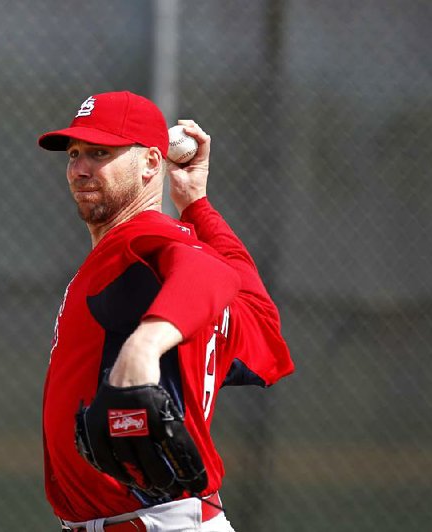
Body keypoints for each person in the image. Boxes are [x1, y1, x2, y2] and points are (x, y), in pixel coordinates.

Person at [38, 91, 295, 532]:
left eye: (101, 152)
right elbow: (261, 322)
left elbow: (207, 270)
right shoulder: (164, 272)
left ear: (152, 164)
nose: (79, 168)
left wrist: (143, 347)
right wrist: (198, 205)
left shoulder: (140, 241)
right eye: (75, 153)